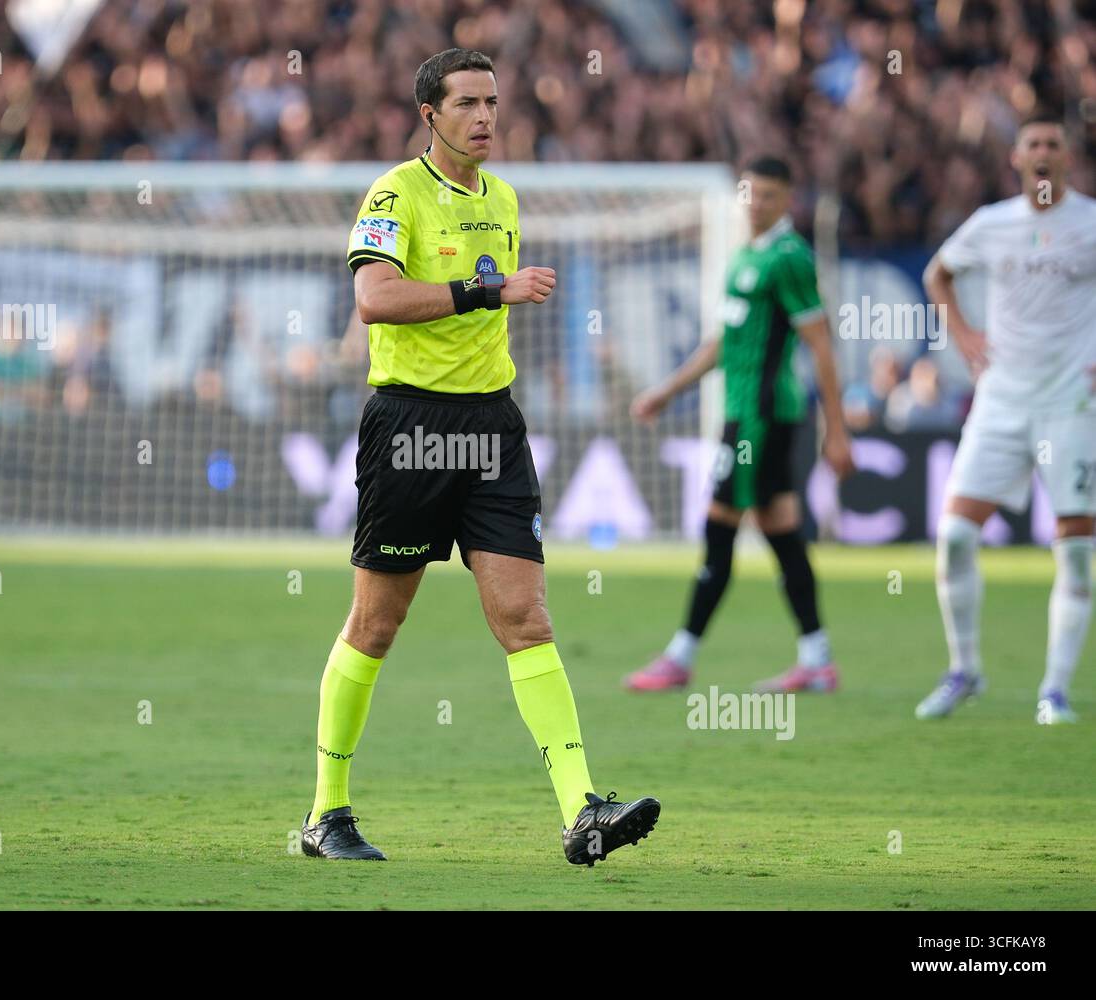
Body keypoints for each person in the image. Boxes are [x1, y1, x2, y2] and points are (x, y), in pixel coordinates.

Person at [303, 48, 659, 864]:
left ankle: (583, 811)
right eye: (467, 103)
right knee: (377, 623)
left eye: (493, 102)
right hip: (412, 429)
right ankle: (327, 813)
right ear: (428, 113)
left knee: (525, 617)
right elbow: (374, 300)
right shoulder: (395, 193)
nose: (486, 117)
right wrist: (485, 291)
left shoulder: (503, 196)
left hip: (492, 429)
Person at [625, 156, 855, 694]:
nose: (757, 203)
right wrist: (667, 391)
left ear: (788, 201)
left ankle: (681, 655)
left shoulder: (789, 258)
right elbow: (723, 343)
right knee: (781, 532)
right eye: (750, 193)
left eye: (769, 195)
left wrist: (837, 429)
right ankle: (817, 658)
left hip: (763, 416)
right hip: (745, 413)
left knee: (719, 526)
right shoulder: (744, 256)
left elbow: (821, 344)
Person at [916, 111, 1096, 724]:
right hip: (1001, 400)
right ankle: (964, 669)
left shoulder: (1090, 222)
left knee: (1075, 552)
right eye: (1033, 144)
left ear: (1067, 160)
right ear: (1016, 160)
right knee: (956, 536)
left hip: (1070, 403)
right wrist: (964, 335)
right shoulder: (992, 224)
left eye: (1054, 144)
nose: (1043, 153)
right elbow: (936, 273)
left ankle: (1054, 690)